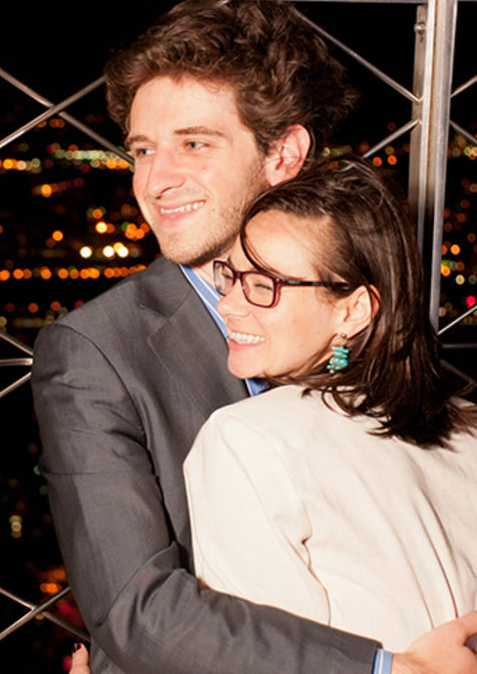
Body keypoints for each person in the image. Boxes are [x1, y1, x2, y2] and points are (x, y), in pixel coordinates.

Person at [31, 0, 477, 673]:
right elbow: (135, 612)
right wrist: (390, 668)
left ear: (283, 153)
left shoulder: (361, 305)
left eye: (194, 144)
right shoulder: (95, 352)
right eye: (144, 150)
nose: (155, 180)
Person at [183, 159, 477, 654]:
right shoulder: (465, 426)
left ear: (354, 309)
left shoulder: (245, 439)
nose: (229, 304)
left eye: (264, 285)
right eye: (230, 276)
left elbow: (269, 664)